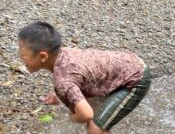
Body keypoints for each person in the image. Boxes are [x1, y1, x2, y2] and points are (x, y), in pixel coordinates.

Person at [18, 21, 151, 134]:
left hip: (136, 78)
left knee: (94, 128)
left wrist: (74, 118)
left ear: (43, 57)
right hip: (126, 64)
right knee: (95, 115)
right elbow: (76, 76)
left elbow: (86, 114)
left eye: (23, 55)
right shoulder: (62, 54)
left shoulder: (63, 82)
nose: (21, 58)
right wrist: (60, 95)